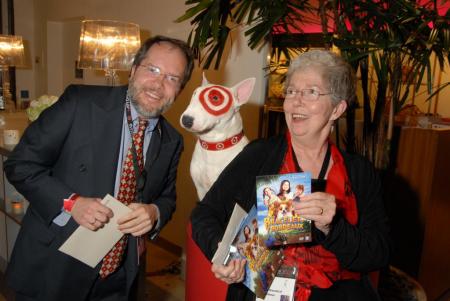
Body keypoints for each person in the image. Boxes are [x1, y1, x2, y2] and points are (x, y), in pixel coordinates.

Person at [4, 35, 194, 301]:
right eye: (153, 69)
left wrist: (154, 212)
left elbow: (167, 198)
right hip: (54, 268)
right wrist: (72, 203)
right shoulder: (80, 102)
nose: (159, 84)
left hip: (118, 277)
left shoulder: (172, 140)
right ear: (134, 69)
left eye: (172, 78)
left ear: (180, 90)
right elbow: (21, 164)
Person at [191, 50, 390, 300]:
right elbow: (204, 213)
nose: (296, 101)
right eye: (292, 91)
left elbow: (379, 252)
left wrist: (332, 228)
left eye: (311, 92)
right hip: (264, 291)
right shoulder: (260, 155)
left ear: (337, 109)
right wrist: (222, 251)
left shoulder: (359, 172)